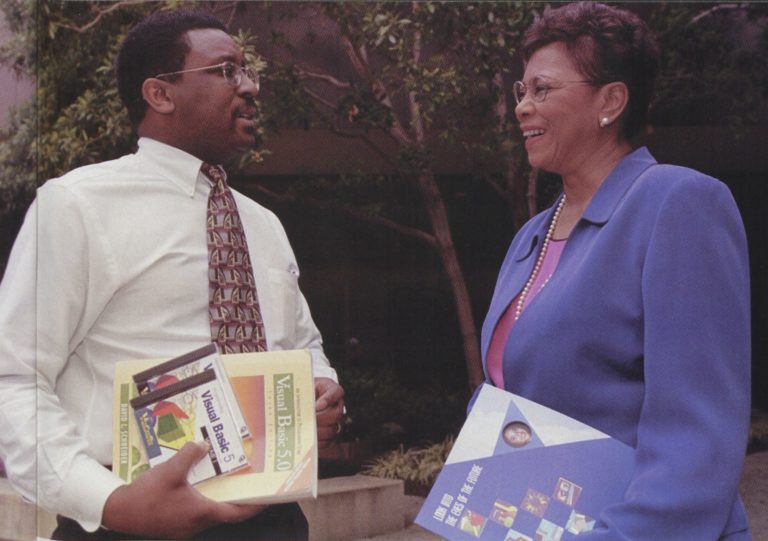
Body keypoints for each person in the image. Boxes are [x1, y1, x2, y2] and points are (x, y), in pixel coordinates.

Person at [0, 9, 344, 540]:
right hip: (130, 520)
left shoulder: (263, 224)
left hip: (272, 518)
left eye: (250, 71)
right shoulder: (76, 206)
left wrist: (322, 386)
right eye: (227, 70)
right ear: (160, 95)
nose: (250, 87)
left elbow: (302, 341)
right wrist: (111, 502)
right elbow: (15, 377)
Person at [481, 2, 751, 539]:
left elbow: (696, 442)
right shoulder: (529, 237)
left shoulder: (676, 203)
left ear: (611, 100)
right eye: (521, 91)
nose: (522, 107)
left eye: (543, 89)